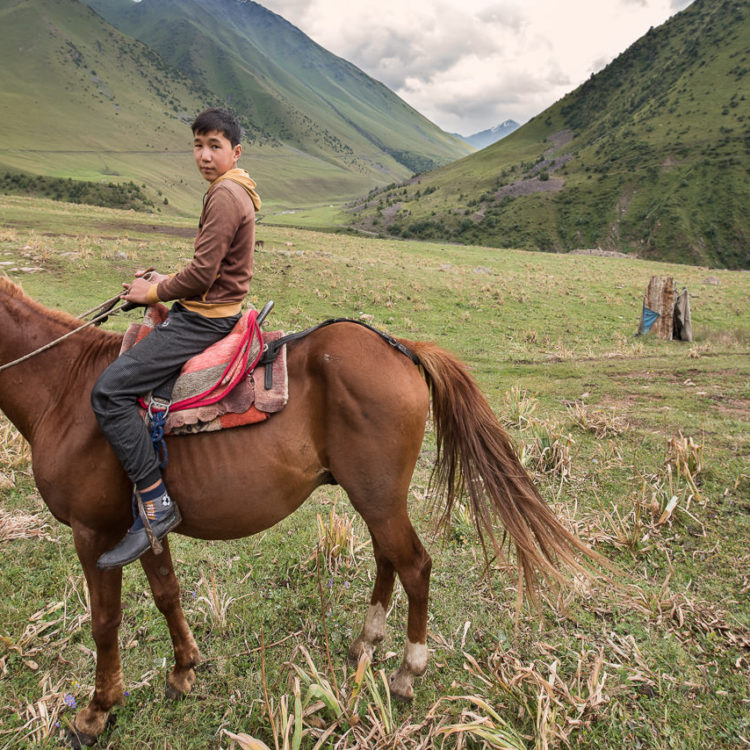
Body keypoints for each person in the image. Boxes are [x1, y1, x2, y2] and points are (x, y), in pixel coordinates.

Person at [92, 108, 261, 570]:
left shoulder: (225, 195)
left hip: (204, 321)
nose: (204, 156)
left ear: (235, 151)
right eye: (198, 145)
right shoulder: (235, 189)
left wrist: (155, 290)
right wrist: (166, 281)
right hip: (213, 308)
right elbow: (212, 271)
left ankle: (154, 501)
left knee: (109, 391)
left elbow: (205, 272)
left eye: (215, 146)